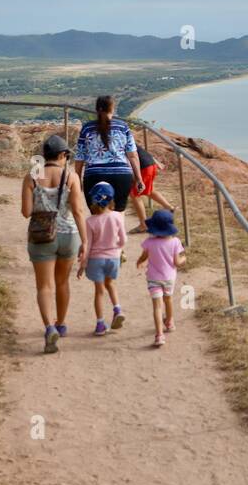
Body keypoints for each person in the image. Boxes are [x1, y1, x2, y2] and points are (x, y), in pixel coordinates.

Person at [22, 134, 88, 354]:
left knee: (44, 286)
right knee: (62, 283)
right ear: (62, 155)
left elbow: (26, 212)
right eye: (66, 156)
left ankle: (49, 327)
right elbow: (78, 211)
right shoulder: (71, 176)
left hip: (41, 236)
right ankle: (61, 323)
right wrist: (85, 241)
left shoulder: (32, 176)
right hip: (68, 235)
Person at [74, 94, 142, 207]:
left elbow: (80, 157)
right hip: (121, 175)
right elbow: (133, 155)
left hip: (94, 175)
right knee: (118, 216)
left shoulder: (87, 128)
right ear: (112, 109)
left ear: (97, 109)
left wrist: (77, 179)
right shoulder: (123, 127)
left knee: (97, 216)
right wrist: (139, 178)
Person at [78, 181, 126, 336]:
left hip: (96, 259)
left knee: (99, 292)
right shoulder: (118, 216)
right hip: (113, 258)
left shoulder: (90, 221)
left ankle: (100, 324)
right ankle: (117, 309)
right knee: (110, 284)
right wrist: (117, 248)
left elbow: (88, 244)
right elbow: (123, 239)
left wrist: (82, 264)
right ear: (111, 199)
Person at [135, 209, 185, 348]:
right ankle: (169, 322)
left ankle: (159, 335)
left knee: (157, 306)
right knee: (168, 300)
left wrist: (140, 261)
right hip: (169, 278)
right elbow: (177, 262)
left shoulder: (149, 242)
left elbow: (144, 255)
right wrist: (184, 258)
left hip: (153, 278)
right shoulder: (175, 242)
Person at [128, 143, 176, 232]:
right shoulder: (126, 137)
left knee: (134, 194)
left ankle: (143, 224)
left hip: (143, 168)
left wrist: (135, 177)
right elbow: (142, 152)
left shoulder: (117, 141)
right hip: (151, 165)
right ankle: (169, 207)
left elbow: (130, 158)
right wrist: (156, 162)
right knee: (149, 190)